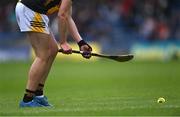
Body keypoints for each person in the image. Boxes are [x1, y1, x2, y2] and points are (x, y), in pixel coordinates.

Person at [15, 0, 92, 107]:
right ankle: (27, 100)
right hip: (30, 10)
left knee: (53, 50)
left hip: (35, 12)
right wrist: (63, 42)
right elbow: (62, 15)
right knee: (43, 55)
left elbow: (67, 17)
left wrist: (81, 42)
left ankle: (38, 95)